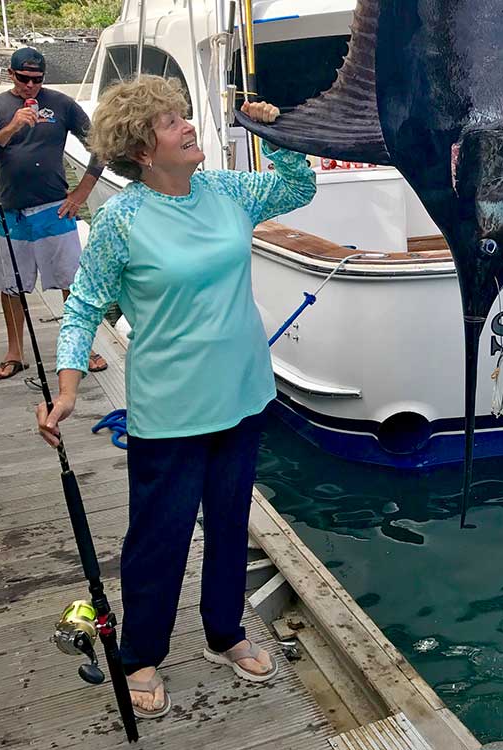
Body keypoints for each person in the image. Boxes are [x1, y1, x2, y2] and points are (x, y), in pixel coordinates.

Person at [35, 75, 316, 719]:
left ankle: (226, 631)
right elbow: (82, 308)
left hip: (245, 396)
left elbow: (298, 186)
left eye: (184, 116)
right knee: (158, 538)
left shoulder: (225, 191)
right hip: (171, 411)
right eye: (171, 122)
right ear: (141, 148)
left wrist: (274, 135)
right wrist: (69, 388)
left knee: (229, 524)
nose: (188, 127)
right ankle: (141, 654)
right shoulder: (121, 219)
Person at [0, 47, 108, 380]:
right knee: (11, 285)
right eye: (24, 78)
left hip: (54, 208)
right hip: (11, 211)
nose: (31, 85)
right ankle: (14, 352)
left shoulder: (61, 104)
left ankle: (81, 348)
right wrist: (11, 128)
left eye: (38, 79)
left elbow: (102, 147)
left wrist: (82, 192)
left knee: (72, 283)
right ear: (10, 73)